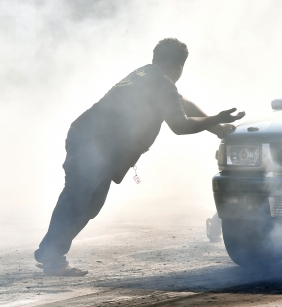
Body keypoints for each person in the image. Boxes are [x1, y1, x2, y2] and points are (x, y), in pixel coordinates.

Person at [34, 39, 246, 277]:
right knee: (77, 198)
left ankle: (48, 252)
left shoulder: (147, 74)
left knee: (90, 204)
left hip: (92, 140)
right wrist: (216, 119)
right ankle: (53, 256)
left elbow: (182, 103)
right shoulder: (160, 82)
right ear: (179, 66)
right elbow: (180, 125)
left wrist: (215, 127)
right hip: (92, 142)